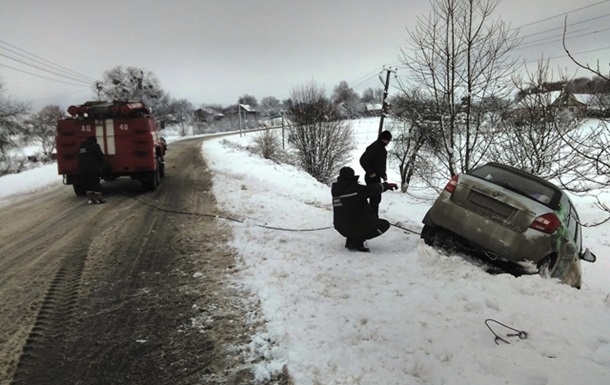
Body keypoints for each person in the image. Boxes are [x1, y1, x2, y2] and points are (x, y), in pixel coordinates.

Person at [331, 166, 397, 252]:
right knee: (384, 224)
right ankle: (357, 241)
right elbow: (371, 189)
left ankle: (351, 239)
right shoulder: (354, 189)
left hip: (340, 227)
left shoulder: (336, 190)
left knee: (352, 217)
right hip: (353, 227)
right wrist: (386, 185)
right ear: (351, 176)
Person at [359, 130, 392, 217]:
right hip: (371, 177)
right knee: (374, 197)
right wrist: (370, 172)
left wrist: (383, 174)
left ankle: (372, 216)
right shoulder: (374, 148)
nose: (388, 142)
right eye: (387, 140)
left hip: (377, 177)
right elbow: (363, 160)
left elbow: (379, 164)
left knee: (376, 198)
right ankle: (372, 217)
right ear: (383, 139)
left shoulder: (382, 149)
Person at [77, 136, 107, 204]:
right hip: (92, 168)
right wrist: (103, 165)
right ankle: (99, 199)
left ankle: (90, 199)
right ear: (94, 141)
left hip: (82, 169)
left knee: (87, 183)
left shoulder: (81, 147)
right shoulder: (95, 146)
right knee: (95, 183)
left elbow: (78, 156)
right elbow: (100, 156)